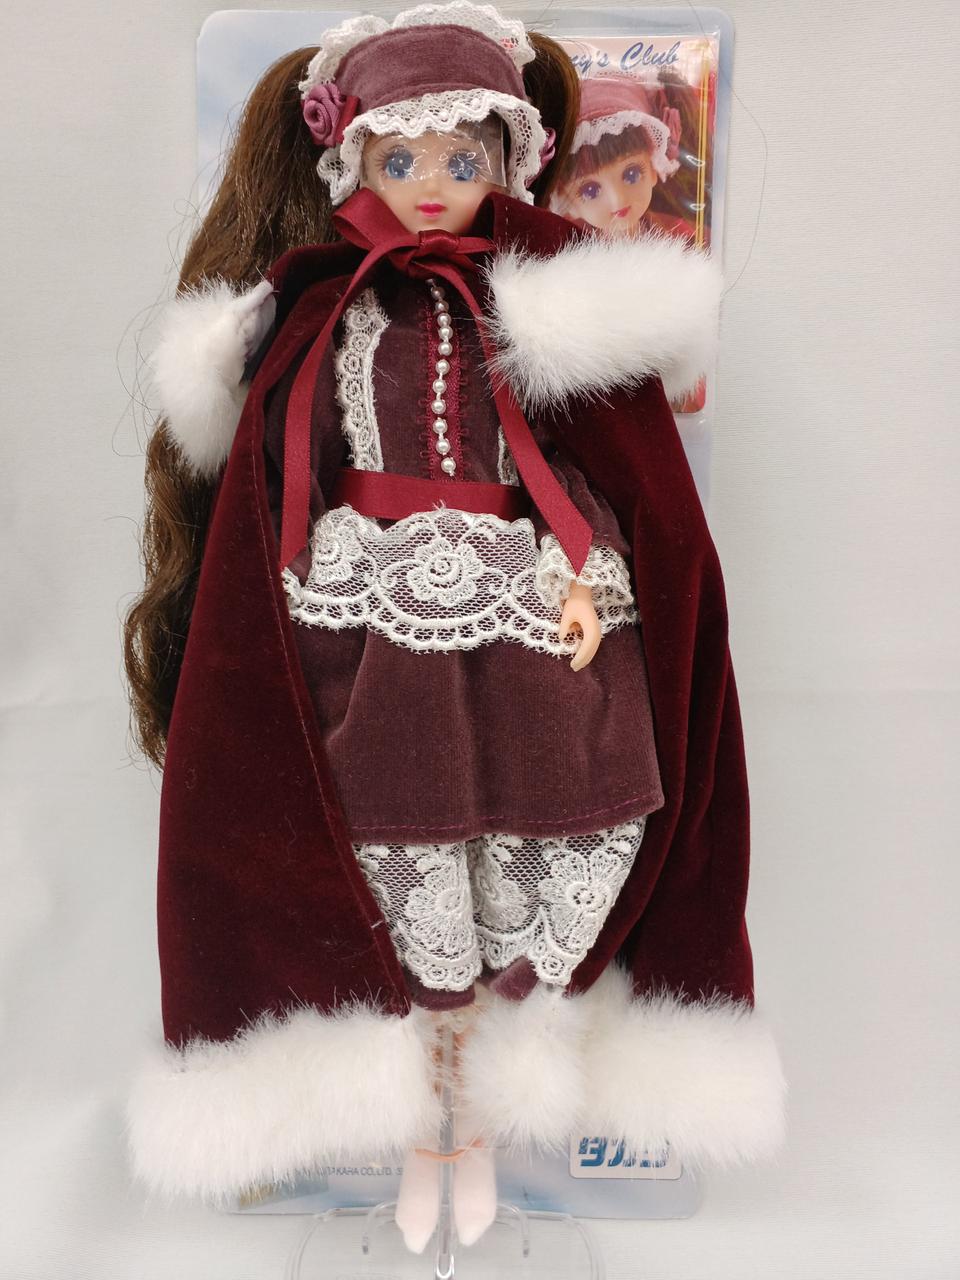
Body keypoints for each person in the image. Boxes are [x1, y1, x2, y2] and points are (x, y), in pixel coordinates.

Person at [124, 0, 785, 1252]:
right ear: (351, 162)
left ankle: (474, 1128)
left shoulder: (530, 304)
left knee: (539, 855)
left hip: (523, 627)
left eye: (462, 156)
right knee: (392, 870)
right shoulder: (323, 313)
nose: (433, 182)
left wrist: (587, 575)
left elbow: (579, 471)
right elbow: (284, 470)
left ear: (509, 159)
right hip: (367, 634)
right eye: (403, 157)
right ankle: (424, 1134)